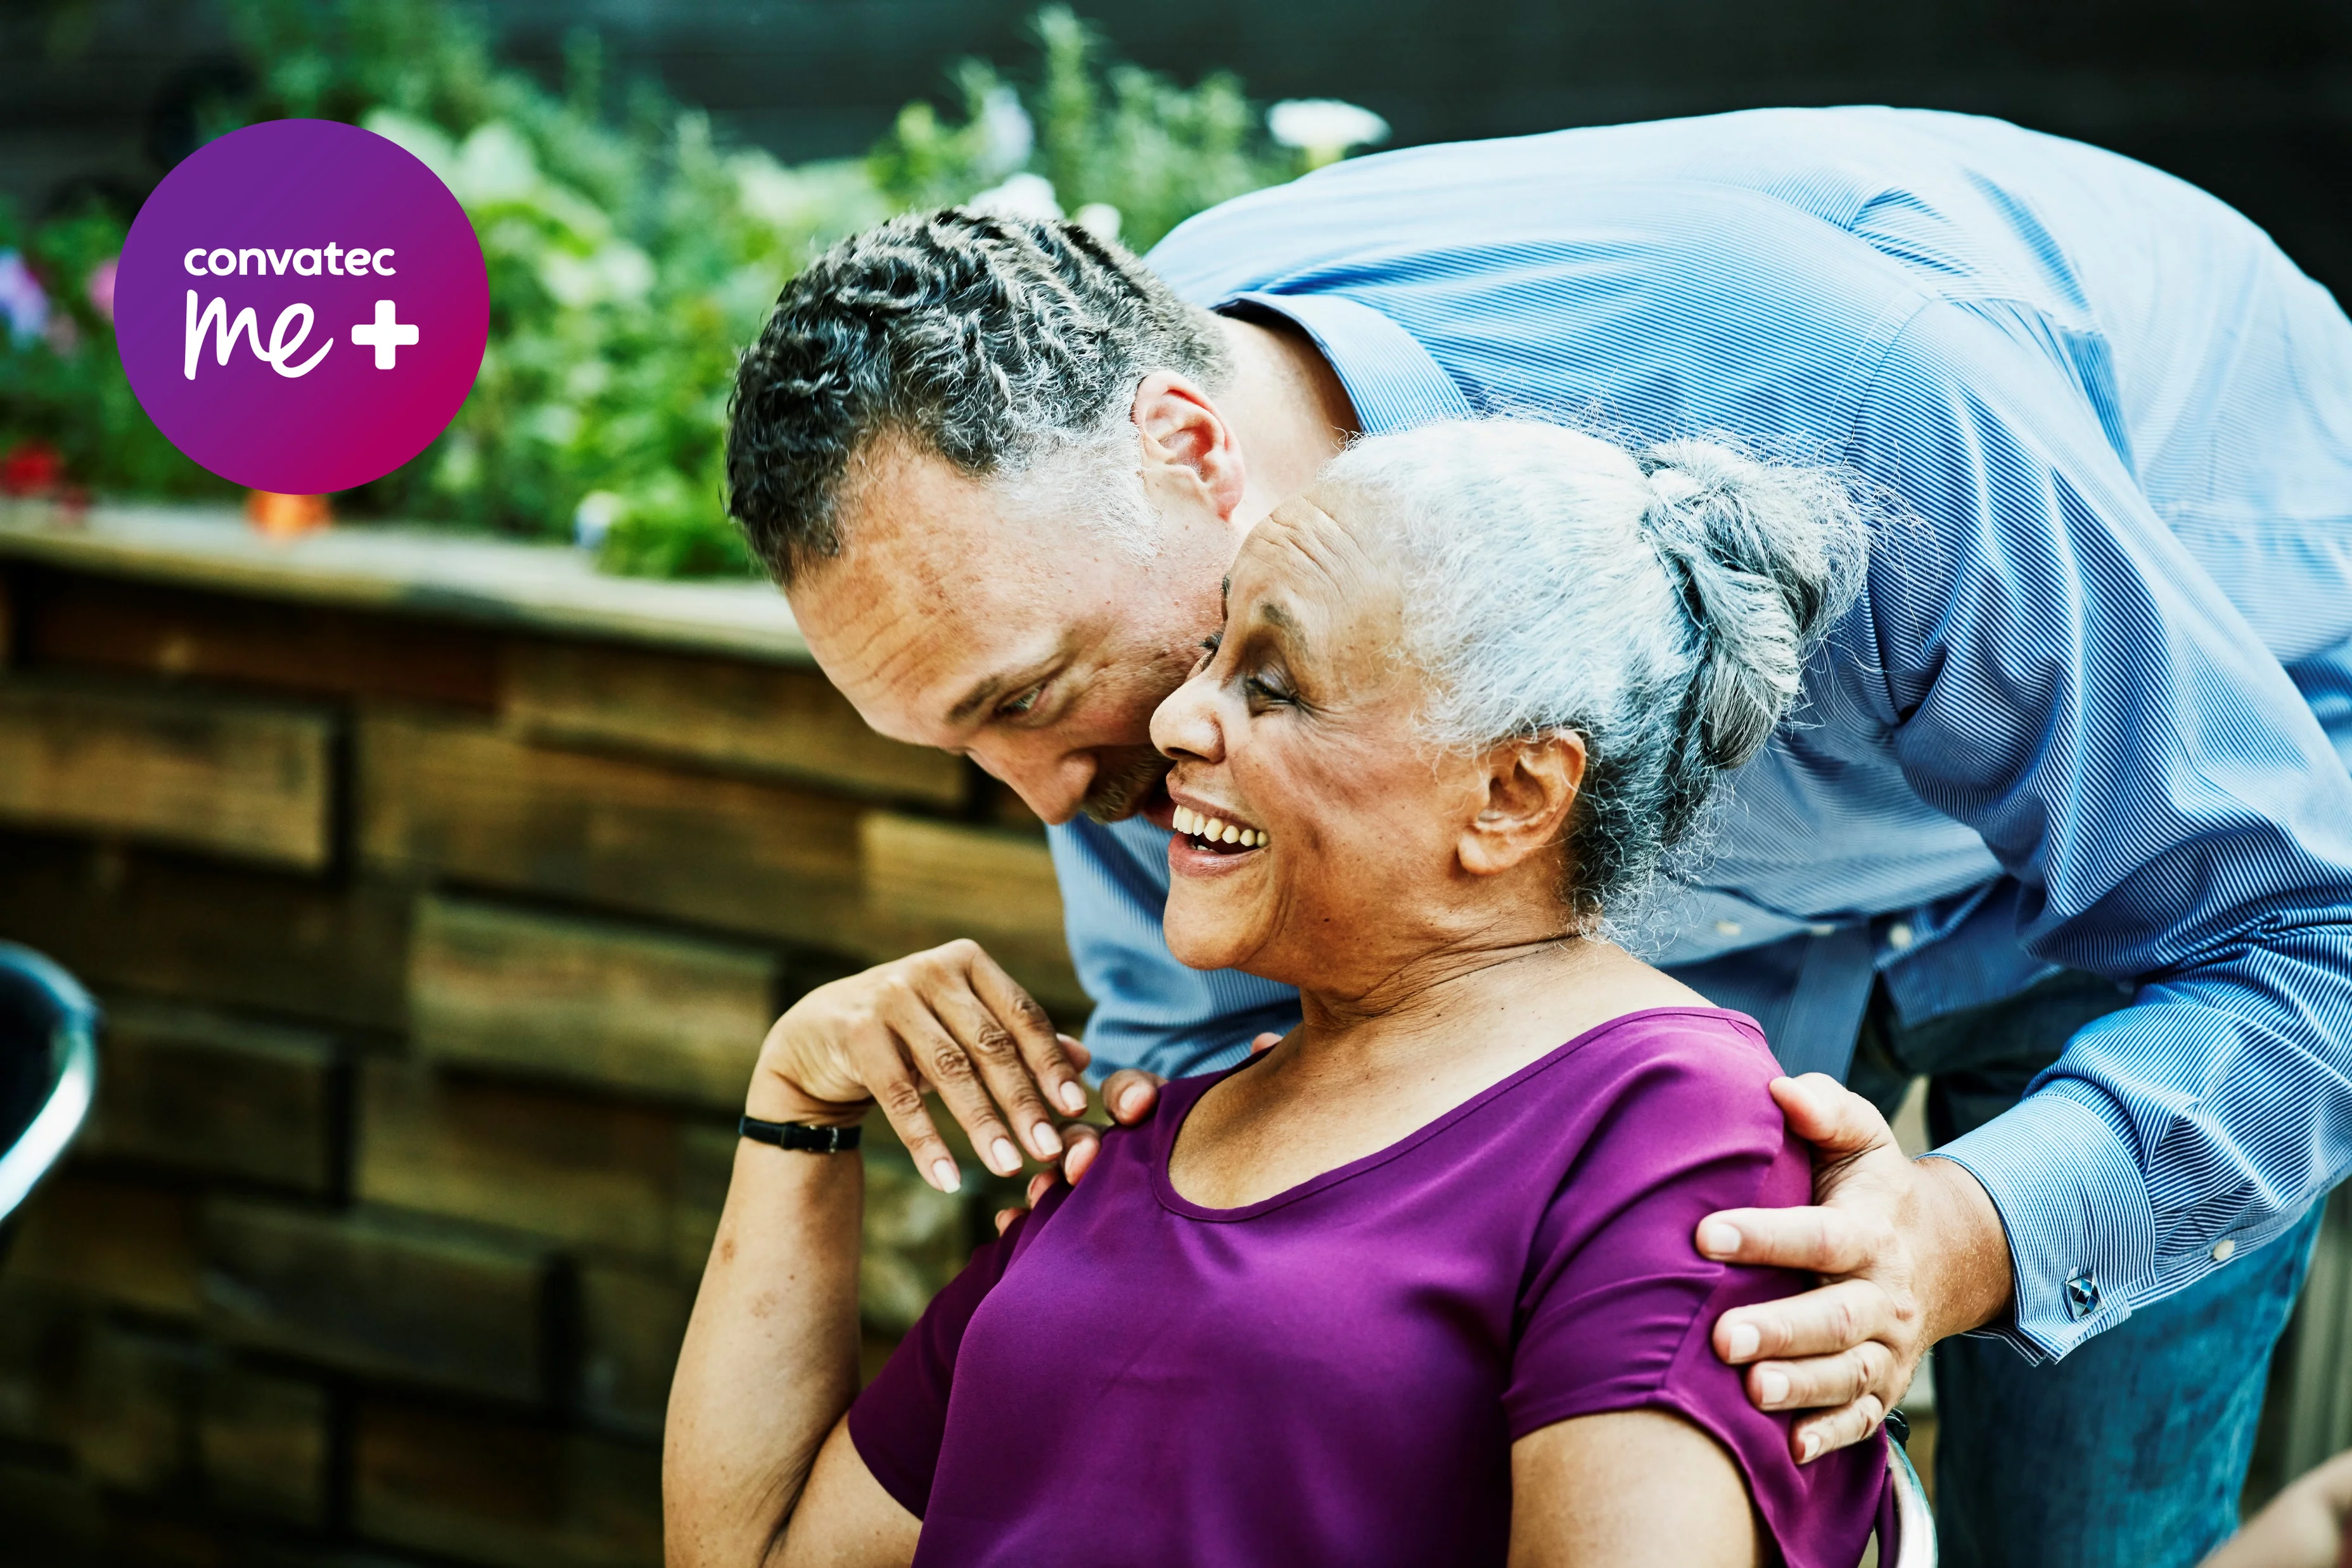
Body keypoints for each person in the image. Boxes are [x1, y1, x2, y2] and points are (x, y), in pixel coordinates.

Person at [713, 107, 2352, 1566]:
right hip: (1752, 857)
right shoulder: (1126, 588)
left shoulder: (1857, 391)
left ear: (1195, 455)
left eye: (1040, 697)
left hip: (2194, 791)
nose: (1055, 799)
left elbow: (2312, 943)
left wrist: (1963, 1232)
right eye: (963, 742)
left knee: (2069, 1521)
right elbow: (1246, 1089)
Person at [666, 419, 1905, 1567]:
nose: (1174, 717)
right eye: (1211, 651)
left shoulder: (1670, 1127)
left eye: (1271, 684)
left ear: (1513, 793)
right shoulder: (1153, 1133)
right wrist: (798, 1099)